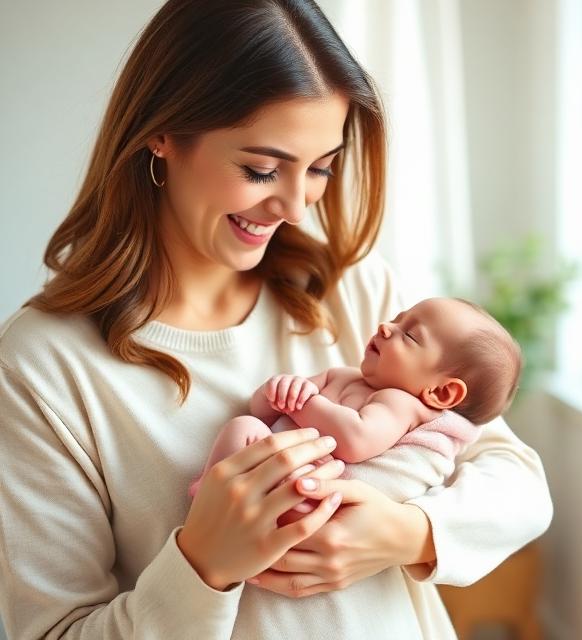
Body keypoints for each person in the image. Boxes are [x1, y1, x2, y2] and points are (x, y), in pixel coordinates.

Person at [0, 1, 552, 639]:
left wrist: (407, 532)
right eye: (261, 169)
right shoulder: (42, 366)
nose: (294, 206)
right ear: (162, 132)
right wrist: (202, 567)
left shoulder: (355, 292)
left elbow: (518, 484)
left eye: (320, 168)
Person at [188, 296, 522, 512]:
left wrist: (302, 402)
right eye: (397, 318)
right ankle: (213, 488)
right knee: (244, 426)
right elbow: (262, 411)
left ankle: (221, 502)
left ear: (442, 394)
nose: (386, 327)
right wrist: (278, 390)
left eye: (410, 335)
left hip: (309, 489)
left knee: (264, 446)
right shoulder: (341, 375)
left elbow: (356, 440)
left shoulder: (400, 404)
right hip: (270, 470)